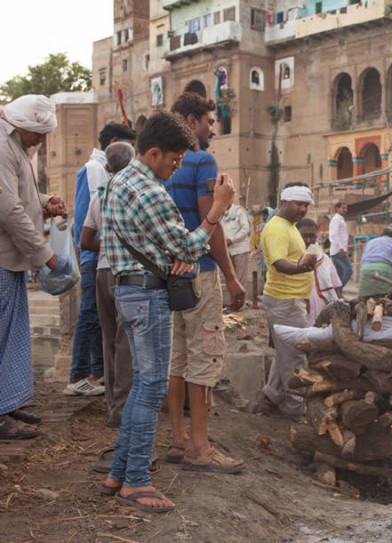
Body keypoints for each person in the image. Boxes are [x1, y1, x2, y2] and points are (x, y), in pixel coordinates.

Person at [101, 111, 236, 512]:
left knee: (145, 383)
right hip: (146, 296)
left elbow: (169, 247)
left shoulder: (119, 180)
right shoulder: (149, 191)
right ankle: (137, 482)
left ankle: (119, 472)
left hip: (129, 290)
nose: (177, 169)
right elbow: (189, 247)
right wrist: (217, 211)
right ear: (154, 153)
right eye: (174, 161)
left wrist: (177, 254)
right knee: (152, 385)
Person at [163, 92, 245, 474]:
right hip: (201, 270)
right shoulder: (201, 160)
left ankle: (179, 440)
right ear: (193, 121)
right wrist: (231, 277)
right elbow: (208, 221)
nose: (213, 130)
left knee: (177, 358)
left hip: (169, 273)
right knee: (205, 356)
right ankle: (201, 446)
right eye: (210, 122)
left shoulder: (162, 163)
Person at [0, 95, 69, 440]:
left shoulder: (15, 146)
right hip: (2, 257)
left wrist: (45, 202)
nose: (41, 141)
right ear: (22, 125)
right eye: (38, 134)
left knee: (12, 335)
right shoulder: (1, 146)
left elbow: (22, 196)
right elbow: (8, 209)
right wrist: (45, 255)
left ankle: (6, 405)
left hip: (9, 261)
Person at [66, 122, 136, 397]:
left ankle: (97, 373)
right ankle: (78, 375)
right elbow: (87, 222)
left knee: (100, 319)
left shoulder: (98, 169)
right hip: (96, 255)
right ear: (117, 142)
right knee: (91, 315)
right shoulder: (95, 169)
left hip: (100, 254)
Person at [80, 141, 135, 427]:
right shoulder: (134, 192)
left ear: (107, 167)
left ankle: (112, 405)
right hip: (125, 272)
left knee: (109, 340)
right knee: (126, 343)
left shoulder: (99, 196)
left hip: (102, 271)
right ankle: (122, 411)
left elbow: (85, 241)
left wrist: (107, 243)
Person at [260, 184, 315, 418]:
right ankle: (296, 410)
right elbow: (278, 263)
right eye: (298, 204)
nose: (303, 209)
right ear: (284, 203)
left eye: (306, 205)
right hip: (284, 300)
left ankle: (271, 396)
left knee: (286, 352)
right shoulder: (277, 229)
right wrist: (302, 268)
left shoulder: (290, 226)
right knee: (294, 357)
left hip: (293, 299)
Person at [296, 218, 341, 326]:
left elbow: (335, 288)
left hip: (323, 315)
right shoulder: (291, 259)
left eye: (311, 236)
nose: (308, 240)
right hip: (300, 315)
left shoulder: (324, 259)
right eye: (304, 236)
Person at [220, 196, 253, 305]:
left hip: (240, 248)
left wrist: (232, 239)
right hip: (226, 249)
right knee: (230, 277)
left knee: (241, 277)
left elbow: (245, 228)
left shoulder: (239, 211)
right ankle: (233, 303)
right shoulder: (219, 212)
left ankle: (241, 304)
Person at [358, 227, 392, 298]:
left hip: (365, 270)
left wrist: (363, 275)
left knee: (365, 299)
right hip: (384, 269)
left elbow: (362, 261)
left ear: (381, 234)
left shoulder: (370, 242)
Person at [329, 201, 352, 288]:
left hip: (340, 250)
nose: (345, 210)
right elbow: (333, 235)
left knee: (338, 275)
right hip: (338, 251)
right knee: (349, 271)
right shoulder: (336, 219)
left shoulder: (341, 219)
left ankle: (337, 295)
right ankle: (339, 290)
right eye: (343, 208)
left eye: (346, 208)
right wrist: (341, 248)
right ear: (337, 209)